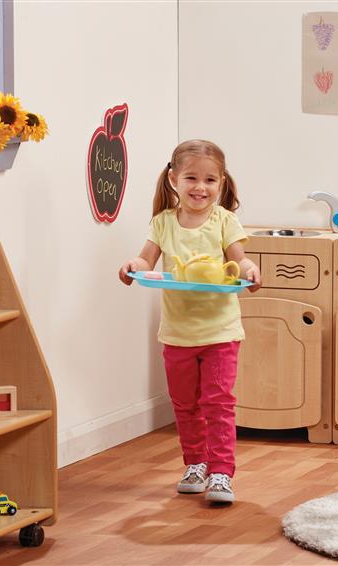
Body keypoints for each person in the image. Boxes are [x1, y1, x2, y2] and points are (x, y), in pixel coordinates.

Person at [118, 139, 261, 503]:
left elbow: (239, 260)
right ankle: (195, 463)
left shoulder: (225, 221)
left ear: (222, 183)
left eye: (210, 180)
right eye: (192, 178)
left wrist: (250, 270)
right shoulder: (163, 223)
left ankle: (220, 472)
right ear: (173, 179)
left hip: (220, 331)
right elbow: (146, 261)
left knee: (218, 402)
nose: (201, 187)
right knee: (184, 404)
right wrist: (134, 268)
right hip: (178, 333)